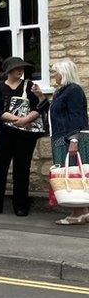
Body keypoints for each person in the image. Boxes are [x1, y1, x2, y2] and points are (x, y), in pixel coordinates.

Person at [0, 56, 48, 216]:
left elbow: (40, 107)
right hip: (4, 134)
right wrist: (16, 119)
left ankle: (21, 205)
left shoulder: (30, 86)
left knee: (22, 170)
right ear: (8, 71)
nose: (20, 71)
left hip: (25, 136)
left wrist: (26, 119)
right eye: (16, 68)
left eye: (22, 68)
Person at [33, 59, 89, 225]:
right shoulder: (61, 91)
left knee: (71, 174)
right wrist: (40, 96)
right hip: (62, 138)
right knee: (75, 174)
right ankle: (84, 211)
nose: (53, 75)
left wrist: (74, 140)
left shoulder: (73, 90)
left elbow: (77, 117)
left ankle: (76, 213)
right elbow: (54, 112)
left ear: (64, 73)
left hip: (70, 139)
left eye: (55, 72)